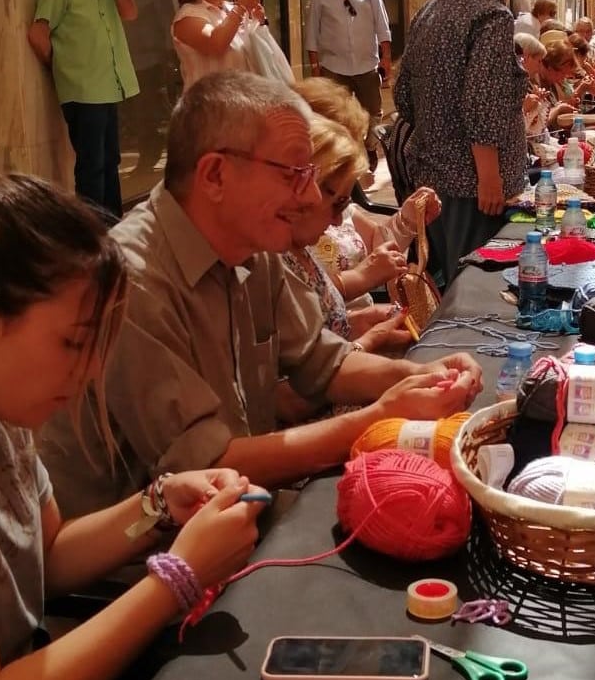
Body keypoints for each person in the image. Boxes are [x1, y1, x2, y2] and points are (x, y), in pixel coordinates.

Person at [0, 158, 263, 680]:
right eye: (74, 342)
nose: (93, 368)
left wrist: (159, 505)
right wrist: (176, 579)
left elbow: (47, 554)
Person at [38, 71, 483, 516]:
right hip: (142, 562)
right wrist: (378, 417)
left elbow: (321, 360)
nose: (309, 195)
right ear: (214, 174)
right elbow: (208, 464)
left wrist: (421, 378)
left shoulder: (253, 241)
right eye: (293, 174)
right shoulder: (132, 281)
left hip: (238, 511)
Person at [395, 0, 528, 282]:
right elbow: (481, 104)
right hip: (471, 187)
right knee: (474, 286)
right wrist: (489, 177)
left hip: (432, 177)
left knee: (447, 282)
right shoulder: (491, 16)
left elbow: (404, 97)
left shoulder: (429, 10)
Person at [292, 77, 442, 312]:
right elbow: (299, 300)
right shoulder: (282, 228)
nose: (339, 218)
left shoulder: (338, 205)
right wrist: (362, 277)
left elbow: (376, 240)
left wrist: (408, 220)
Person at [27, 0, 139, 220]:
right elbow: (38, 34)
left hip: (109, 86)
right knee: (91, 166)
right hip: (83, 90)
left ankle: (113, 226)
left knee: (110, 161)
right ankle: (93, 233)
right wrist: (62, 67)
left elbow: (130, 13)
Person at [305, 0, 393, 162]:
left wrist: (386, 57)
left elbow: (381, 23)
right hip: (334, 66)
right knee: (335, 115)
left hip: (366, 63)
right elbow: (313, 32)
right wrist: (315, 67)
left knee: (373, 112)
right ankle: (344, 157)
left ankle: (371, 146)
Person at [171, 0, 280, 90]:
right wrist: (241, 8)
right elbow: (215, 44)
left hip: (242, 102)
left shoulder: (230, 10)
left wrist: (260, 20)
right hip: (207, 106)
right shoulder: (186, 17)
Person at [118, 0, 178, 179]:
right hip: (127, 63)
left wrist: (168, 64)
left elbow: (168, 29)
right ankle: (147, 154)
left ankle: (149, 158)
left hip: (151, 64)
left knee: (148, 114)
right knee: (135, 114)